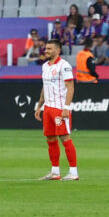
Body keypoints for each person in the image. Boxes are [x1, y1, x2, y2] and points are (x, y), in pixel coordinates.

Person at [35, 37, 80, 180]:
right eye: (46, 48)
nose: (46, 51)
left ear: (58, 50)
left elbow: (70, 87)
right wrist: (39, 106)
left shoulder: (64, 66)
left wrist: (66, 107)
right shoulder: (45, 66)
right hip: (48, 108)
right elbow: (45, 87)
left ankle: (73, 172)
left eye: (49, 49)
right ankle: (55, 171)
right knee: (50, 138)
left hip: (60, 108)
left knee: (65, 137)